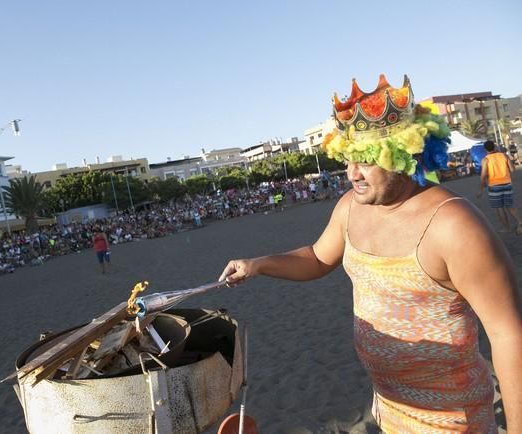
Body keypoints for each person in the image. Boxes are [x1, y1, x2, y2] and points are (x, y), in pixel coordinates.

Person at [220, 75, 522, 433]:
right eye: (348, 158)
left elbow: (508, 334)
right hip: (388, 409)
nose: (352, 173)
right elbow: (318, 258)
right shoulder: (351, 207)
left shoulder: (453, 225)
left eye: (365, 159)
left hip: (452, 421)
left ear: (402, 153)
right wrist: (260, 264)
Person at [477, 140, 522, 235]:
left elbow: (483, 175)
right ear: (494, 146)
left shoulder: (485, 159)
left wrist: (481, 189)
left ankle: (507, 228)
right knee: (510, 205)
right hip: (507, 184)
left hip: (494, 186)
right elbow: (513, 169)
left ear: (485, 149)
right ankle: (520, 222)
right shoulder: (503, 155)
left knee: (499, 208)